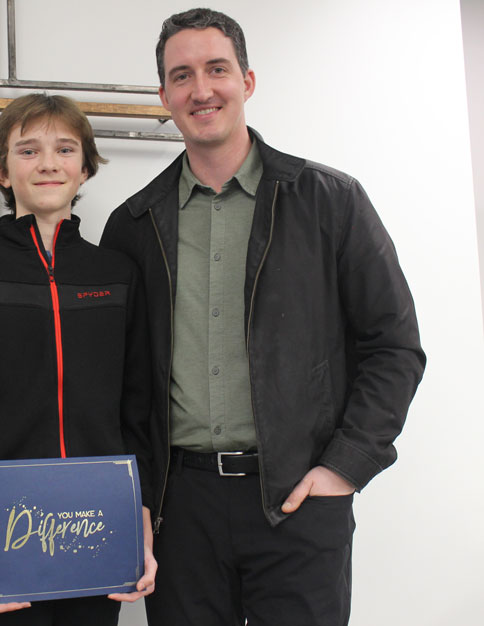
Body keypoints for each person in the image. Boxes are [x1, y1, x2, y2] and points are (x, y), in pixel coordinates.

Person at [98, 9, 426, 626]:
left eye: (217, 69)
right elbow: (116, 372)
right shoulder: (133, 225)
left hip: (298, 501)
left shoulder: (330, 200)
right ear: (164, 95)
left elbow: (394, 347)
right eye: (182, 75)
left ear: (247, 81)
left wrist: (344, 467)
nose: (201, 89)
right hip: (180, 509)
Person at [0, 93, 157, 626]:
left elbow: (139, 407)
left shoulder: (118, 275)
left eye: (65, 149)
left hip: (97, 524)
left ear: (85, 169)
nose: (49, 163)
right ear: (3, 172)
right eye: (29, 150)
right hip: (2, 528)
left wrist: (143, 526)